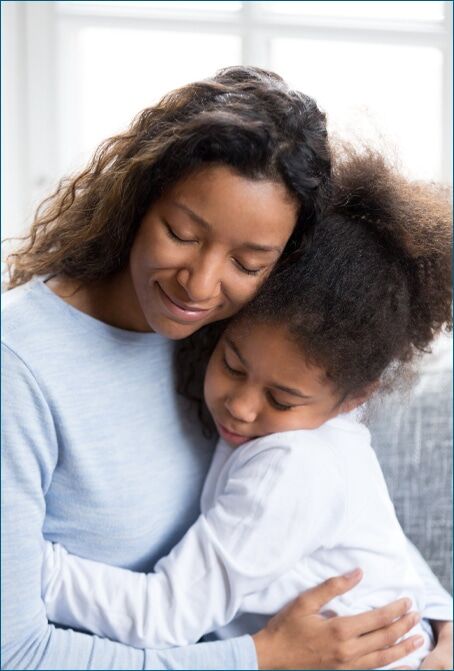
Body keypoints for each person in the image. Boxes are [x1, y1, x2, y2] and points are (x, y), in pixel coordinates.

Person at [2, 66, 451, 670]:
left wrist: (435, 619)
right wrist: (258, 659)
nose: (201, 285)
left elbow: (341, 506)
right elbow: (17, 653)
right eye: (181, 233)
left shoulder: (241, 335)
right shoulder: (20, 370)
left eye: (249, 262)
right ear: (136, 200)